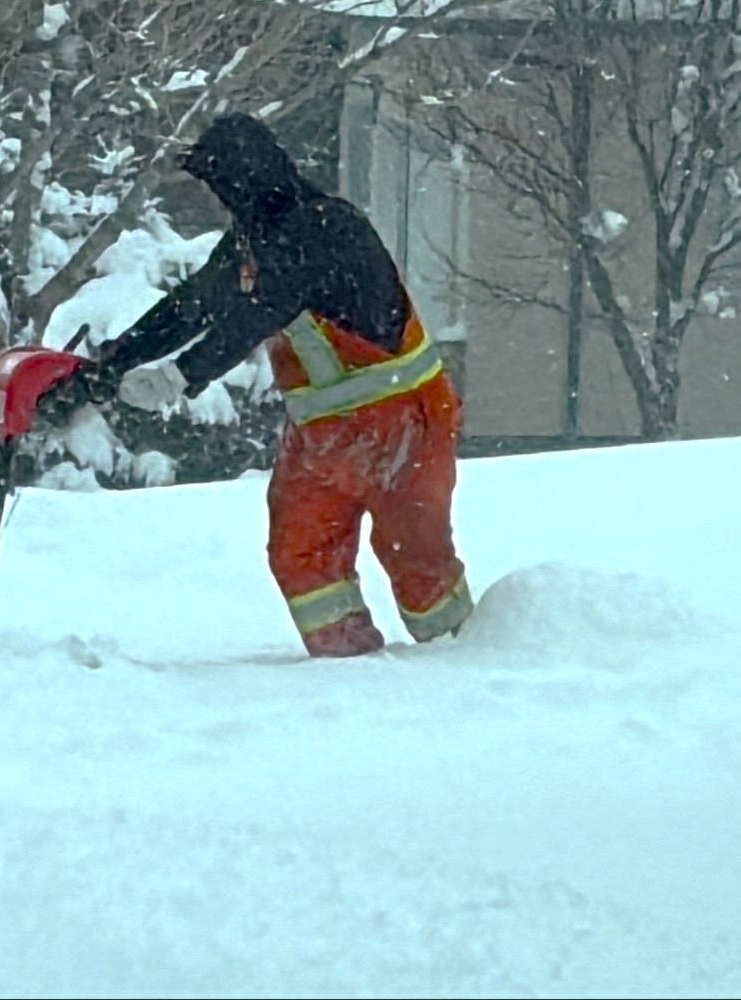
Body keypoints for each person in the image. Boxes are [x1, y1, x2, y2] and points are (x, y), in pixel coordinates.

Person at [77, 114, 471, 657]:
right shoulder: (250, 243)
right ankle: (345, 670)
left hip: (404, 419)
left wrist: (179, 376)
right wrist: (115, 361)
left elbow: (262, 311)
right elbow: (192, 307)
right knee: (302, 554)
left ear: (248, 177)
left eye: (222, 182)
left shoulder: (322, 228)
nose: (220, 196)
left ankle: (464, 662)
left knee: (416, 557)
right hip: (321, 435)